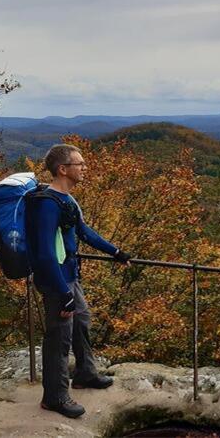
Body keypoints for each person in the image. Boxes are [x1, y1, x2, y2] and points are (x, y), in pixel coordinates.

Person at [25, 144, 132, 418]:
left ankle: (85, 373)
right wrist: (63, 293)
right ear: (63, 169)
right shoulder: (47, 204)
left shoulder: (68, 200)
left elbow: (84, 232)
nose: (84, 168)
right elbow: (46, 253)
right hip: (56, 280)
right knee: (58, 339)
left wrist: (115, 252)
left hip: (70, 276)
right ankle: (55, 396)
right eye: (80, 164)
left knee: (81, 323)